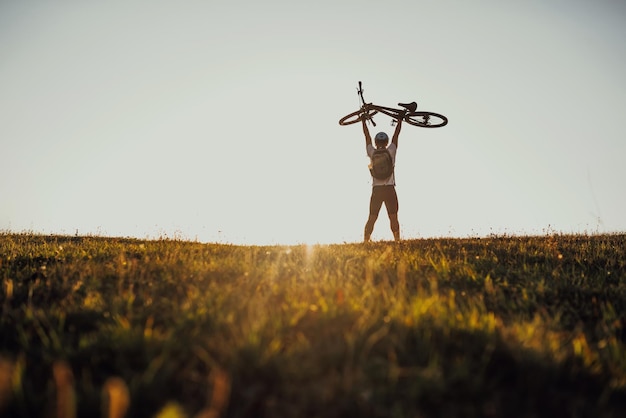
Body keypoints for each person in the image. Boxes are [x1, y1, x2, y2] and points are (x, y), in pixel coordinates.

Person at [361, 111, 406, 242]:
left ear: (376, 142)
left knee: (372, 217)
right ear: (386, 142)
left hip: (376, 190)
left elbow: (366, 137)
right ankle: (397, 241)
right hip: (389, 189)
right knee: (393, 217)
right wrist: (400, 121)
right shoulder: (391, 151)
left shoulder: (372, 152)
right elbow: (396, 136)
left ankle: (365, 242)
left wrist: (363, 122)